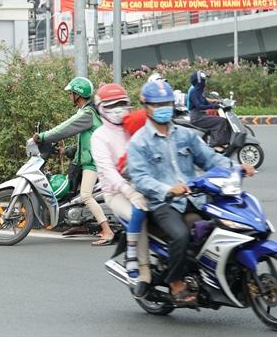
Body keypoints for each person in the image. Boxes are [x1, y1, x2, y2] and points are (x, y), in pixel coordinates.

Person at [127, 80, 255, 304]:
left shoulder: (186, 135)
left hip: (194, 198)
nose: (163, 108)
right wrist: (168, 189)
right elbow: (140, 178)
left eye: (166, 103)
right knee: (181, 235)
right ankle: (175, 283)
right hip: (163, 204)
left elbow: (210, 159)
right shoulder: (140, 142)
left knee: (228, 226)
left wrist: (236, 168)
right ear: (146, 106)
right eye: (157, 105)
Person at [90, 83, 152, 295]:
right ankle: (139, 264)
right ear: (101, 108)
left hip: (143, 183)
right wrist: (130, 193)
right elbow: (108, 172)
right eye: (112, 105)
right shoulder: (99, 137)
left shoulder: (134, 127)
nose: (119, 109)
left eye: (122, 104)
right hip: (116, 193)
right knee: (139, 213)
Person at [33, 77, 107, 245]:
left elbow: (64, 128)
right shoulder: (87, 113)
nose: (69, 96)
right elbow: (84, 142)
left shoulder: (87, 114)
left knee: (86, 195)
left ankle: (107, 230)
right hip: (86, 160)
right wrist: (65, 151)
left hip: (93, 163)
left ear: (78, 95)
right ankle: (82, 224)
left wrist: (42, 136)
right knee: (73, 196)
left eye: (71, 93)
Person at [187, 70, 231, 152]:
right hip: (197, 117)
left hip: (201, 115)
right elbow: (199, 106)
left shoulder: (200, 92)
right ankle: (214, 144)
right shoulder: (193, 92)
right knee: (220, 121)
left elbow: (206, 102)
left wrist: (218, 104)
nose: (205, 82)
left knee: (219, 119)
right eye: (204, 80)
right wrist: (213, 106)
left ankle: (221, 141)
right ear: (199, 81)